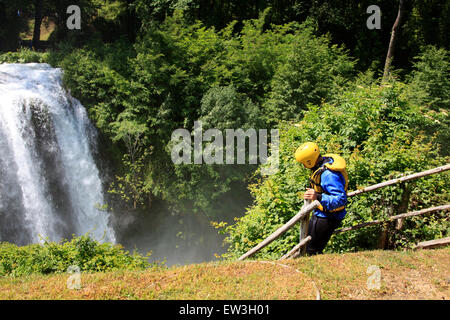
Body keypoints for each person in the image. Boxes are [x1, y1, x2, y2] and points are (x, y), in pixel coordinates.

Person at [295, 142, 348, 255]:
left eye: (304, 163)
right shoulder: (322, 165)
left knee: (312, 250)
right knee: (309, 245)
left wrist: (318, 196)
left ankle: (314, 269)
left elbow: (341, 199)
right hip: (321, 212)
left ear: (310, 160)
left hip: (329, 216)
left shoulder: (328, 175)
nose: (304, 166)